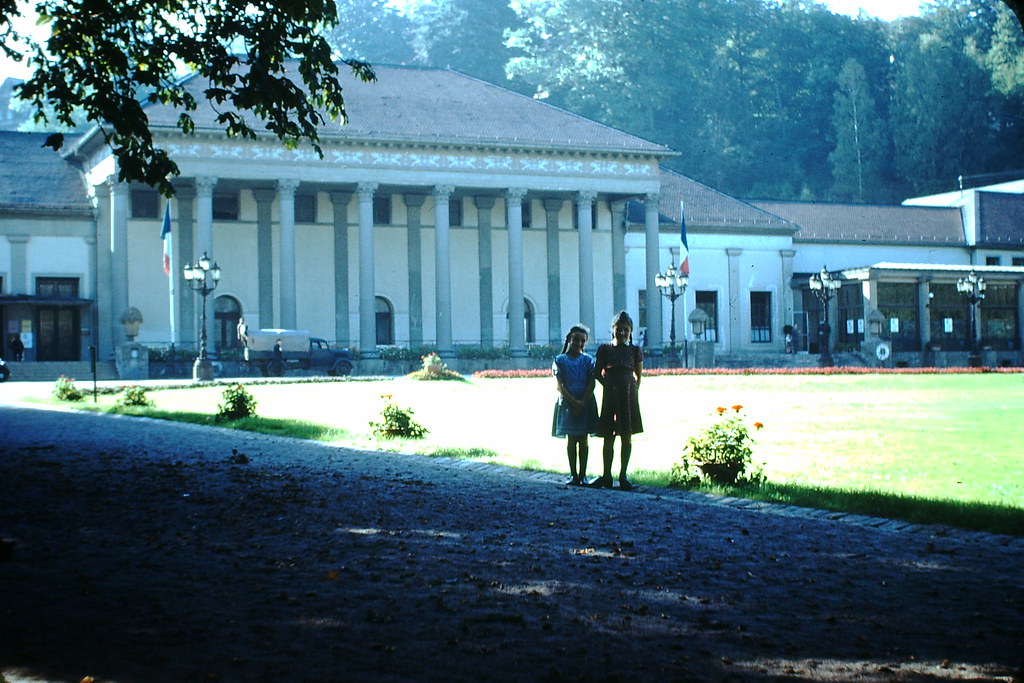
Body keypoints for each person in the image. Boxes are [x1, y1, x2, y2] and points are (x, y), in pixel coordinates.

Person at [591, 310, 644, 490]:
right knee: (608, 436)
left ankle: (623, 476)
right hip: (610, 395)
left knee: (627, 436)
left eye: (626, 330)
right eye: (619, 329)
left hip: (628, 395)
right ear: (613, 329)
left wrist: (633, 389)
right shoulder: (605, 349)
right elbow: (597, 372)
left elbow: (639, 374)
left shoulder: (635, 350)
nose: (622, 333)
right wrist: (608, 384)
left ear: (630, 332)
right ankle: (606, 475)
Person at [551, 324, 599, 486]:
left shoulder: (588, 360)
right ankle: (573, 474)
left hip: (585, 402)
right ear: (569, 340)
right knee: (571, 439)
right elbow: (559, 385)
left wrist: (583, 402)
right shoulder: (560, 360)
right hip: (567, 403)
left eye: (582, 341)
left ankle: (583, 474)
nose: (579, 343)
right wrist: (574, 402)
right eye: (576, 339)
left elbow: (592, 383)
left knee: (584, 440)